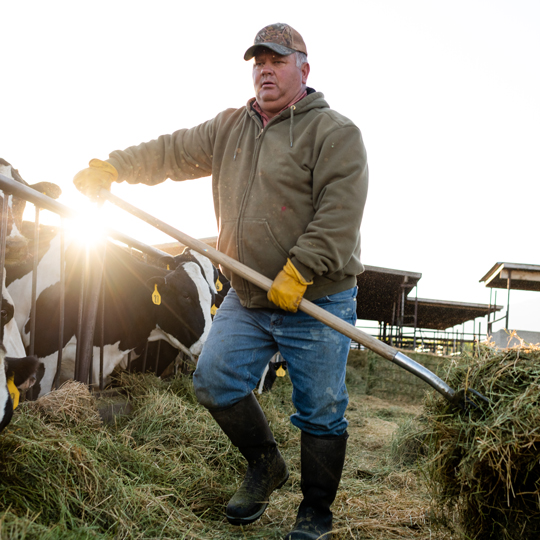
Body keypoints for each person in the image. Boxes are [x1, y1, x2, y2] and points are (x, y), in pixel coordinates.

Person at [74, 22, 368, 540]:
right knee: (214, 380)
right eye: (258, 61)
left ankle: (315, 514)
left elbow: (340, 213)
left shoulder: (335, 133)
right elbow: (171, 151)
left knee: (321, 409)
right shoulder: (231, 126)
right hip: (251, 296)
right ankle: (265, 465)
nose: (265, 70)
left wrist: (300, 269)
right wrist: (114, 166)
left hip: (317, 298)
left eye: (276, 60)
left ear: (304, 68)